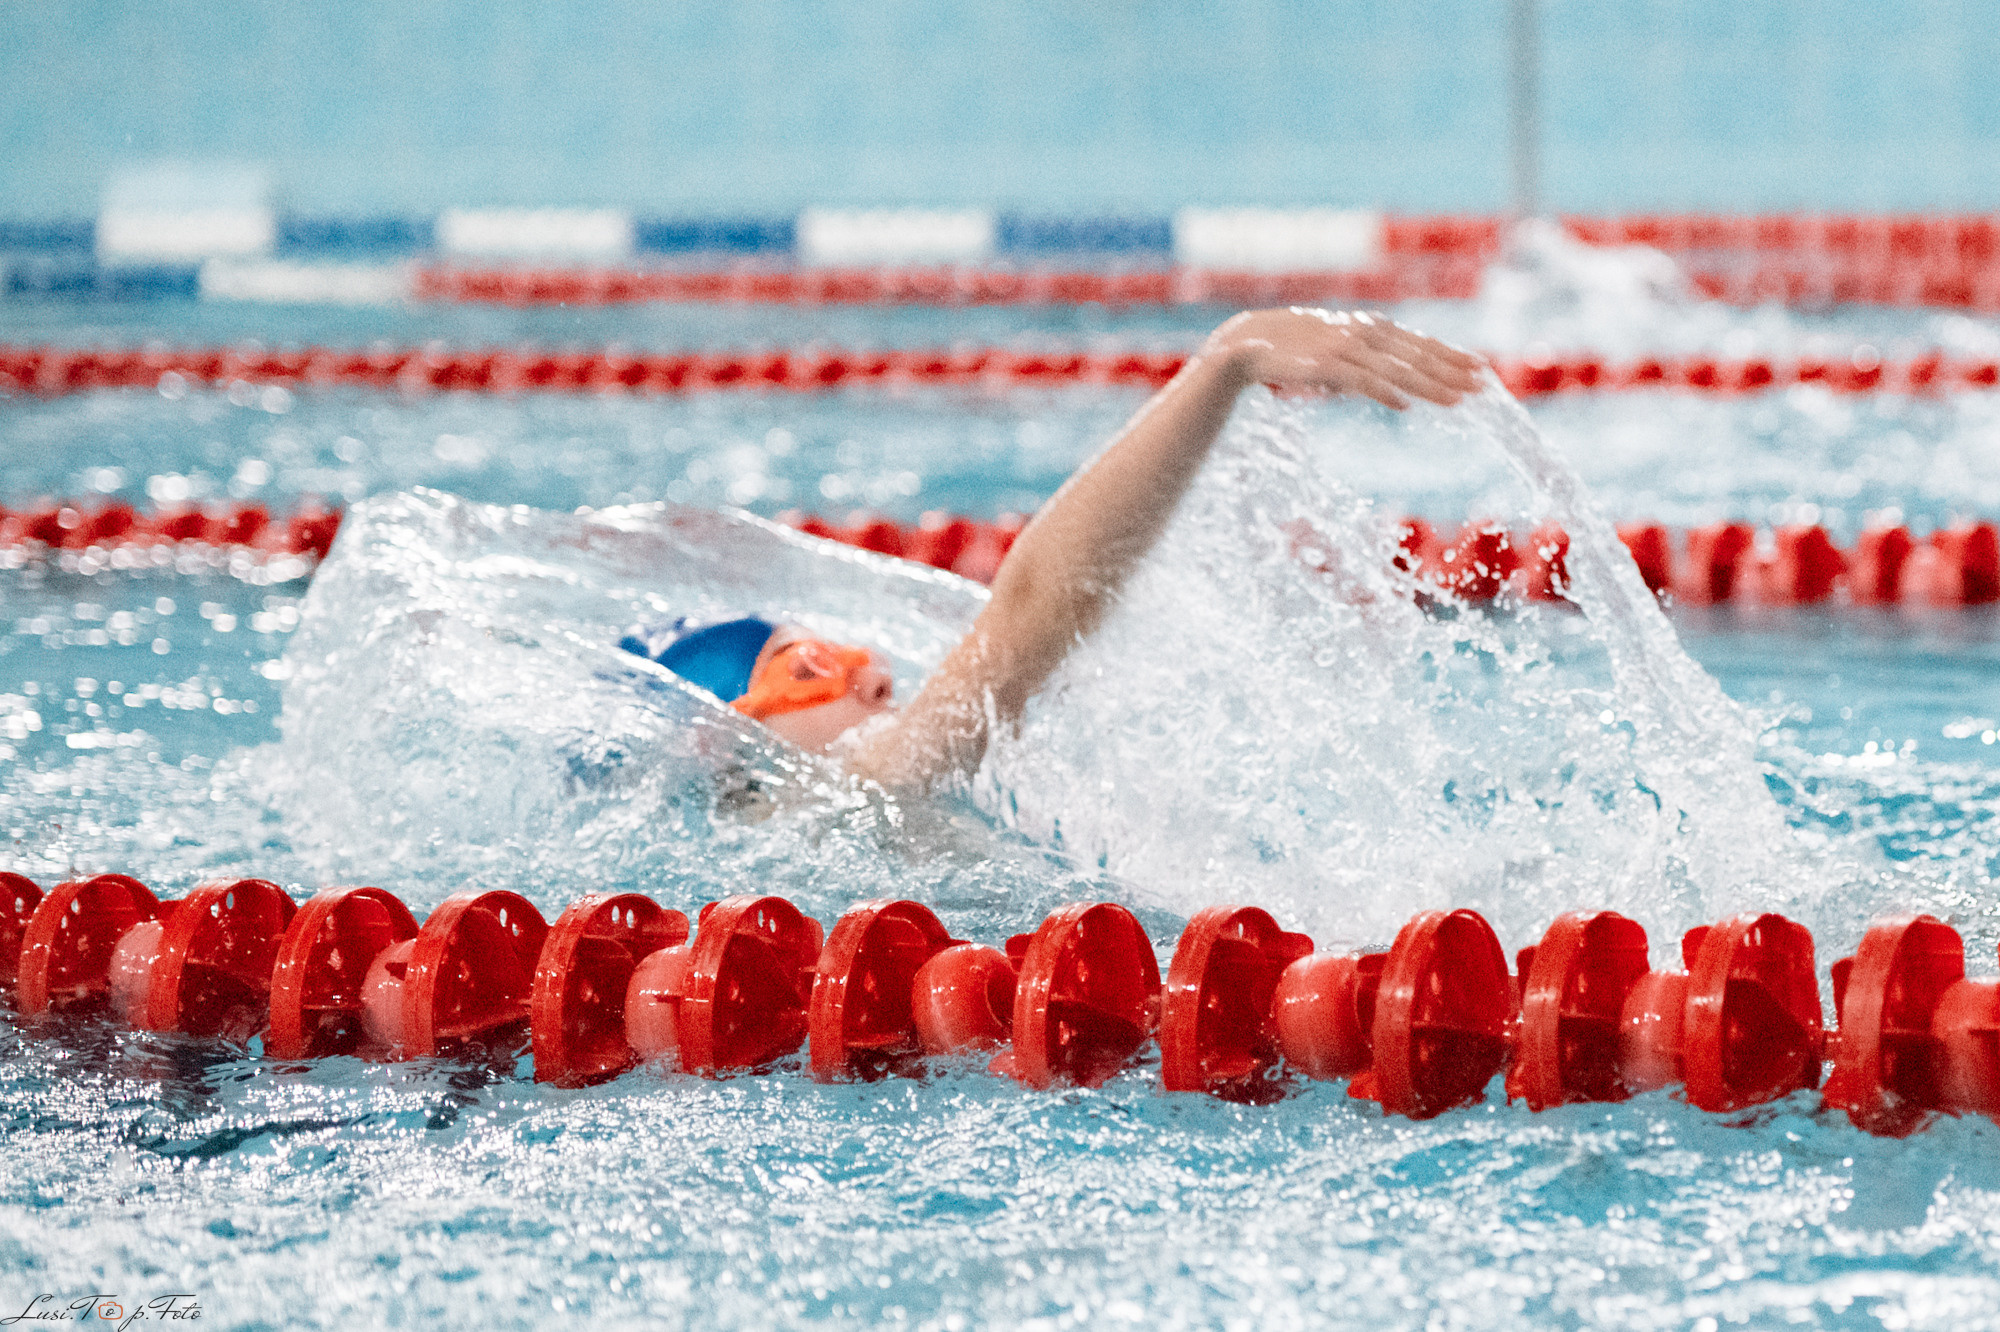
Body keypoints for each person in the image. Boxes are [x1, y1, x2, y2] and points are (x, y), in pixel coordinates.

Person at [626, 307, 1483, 791]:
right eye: (810, 667)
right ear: (728, 743)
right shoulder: (855, 792)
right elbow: (1038, 604)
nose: (877, 673)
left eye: (847, 653)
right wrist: (1223, 365)